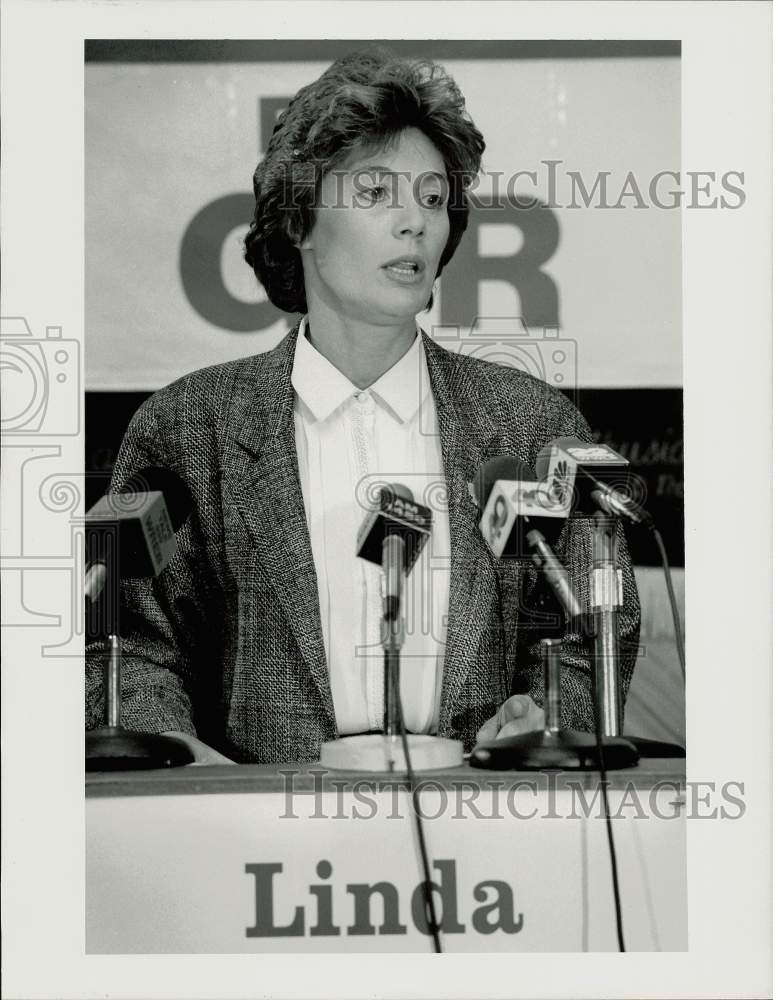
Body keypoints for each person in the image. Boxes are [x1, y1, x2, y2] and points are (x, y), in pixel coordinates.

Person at [85, 48, 641, 764]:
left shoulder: (527, 422)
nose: (415, 222)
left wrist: (539, 716)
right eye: (376, 193)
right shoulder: (190, 427)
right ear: (300, 223)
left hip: (482, 830)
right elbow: (132, 641)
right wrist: (183, 758)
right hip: (244, 836)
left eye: (434, 198)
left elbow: (593, 623)